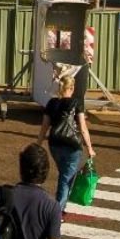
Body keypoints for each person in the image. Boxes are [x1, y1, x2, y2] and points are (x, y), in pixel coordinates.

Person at [37, 75, 95, 214]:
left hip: (55, 144)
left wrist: (38, 143)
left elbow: (44, 126)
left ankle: (60, 206)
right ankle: (58, 211)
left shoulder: (51, 103)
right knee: (66, 179)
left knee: (64, 175)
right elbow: (82, 127)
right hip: (72, 145)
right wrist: (90, 148)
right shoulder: (76, 103)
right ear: (72, 88)